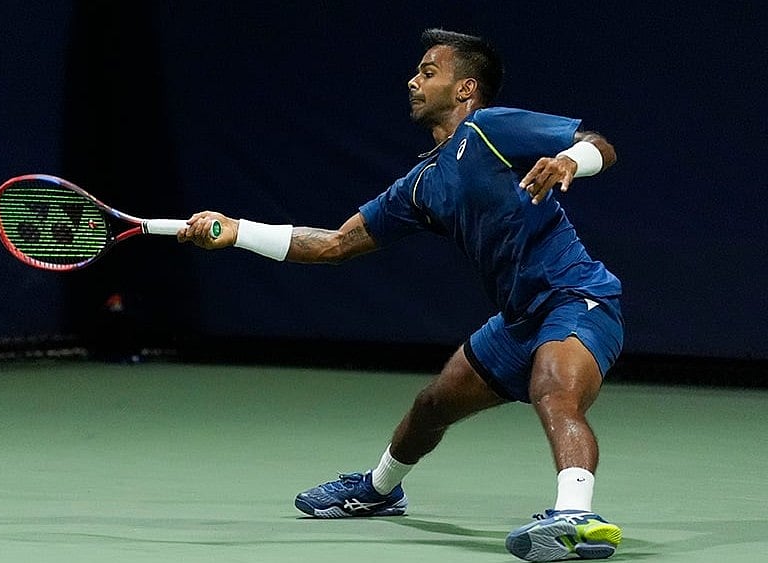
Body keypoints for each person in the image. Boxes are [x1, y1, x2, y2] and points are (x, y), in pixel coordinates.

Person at [177, 28, 624, 563]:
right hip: (515, 320)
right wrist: (238, 230)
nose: (413, 80)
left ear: (466, 88)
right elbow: (336, 244)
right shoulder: (420, 184)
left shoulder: (488, 128)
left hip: (577, 297)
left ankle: (576, 515)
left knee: (554, 389)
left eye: (429, 71)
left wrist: (572, 160)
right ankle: (379, 489)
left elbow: (601, 144)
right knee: (432, 405)